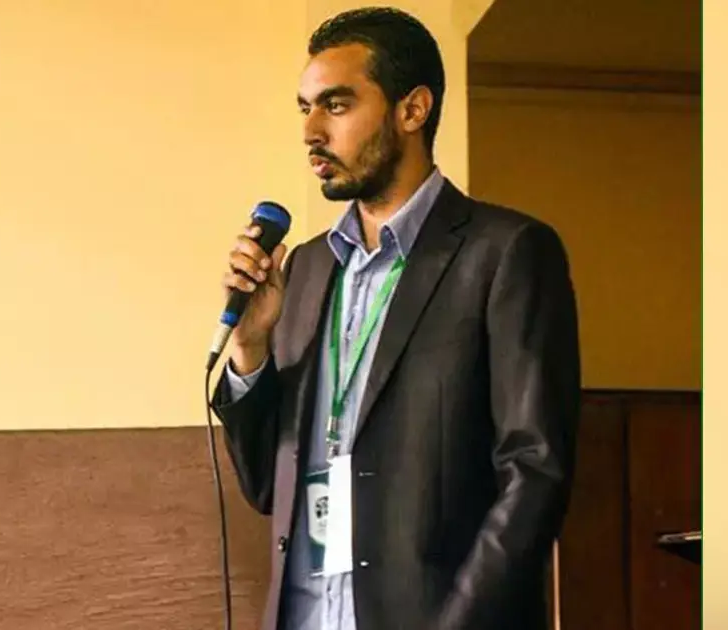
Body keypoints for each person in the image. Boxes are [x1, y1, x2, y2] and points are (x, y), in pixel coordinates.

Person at [210, 7, 581, 630]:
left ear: (413, 110)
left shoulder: (506, 253)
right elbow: (268, 487)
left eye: (336, 105)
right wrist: (250, 350)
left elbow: (535, 471)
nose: (311, 132)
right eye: (305, 108)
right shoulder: (304, 268)